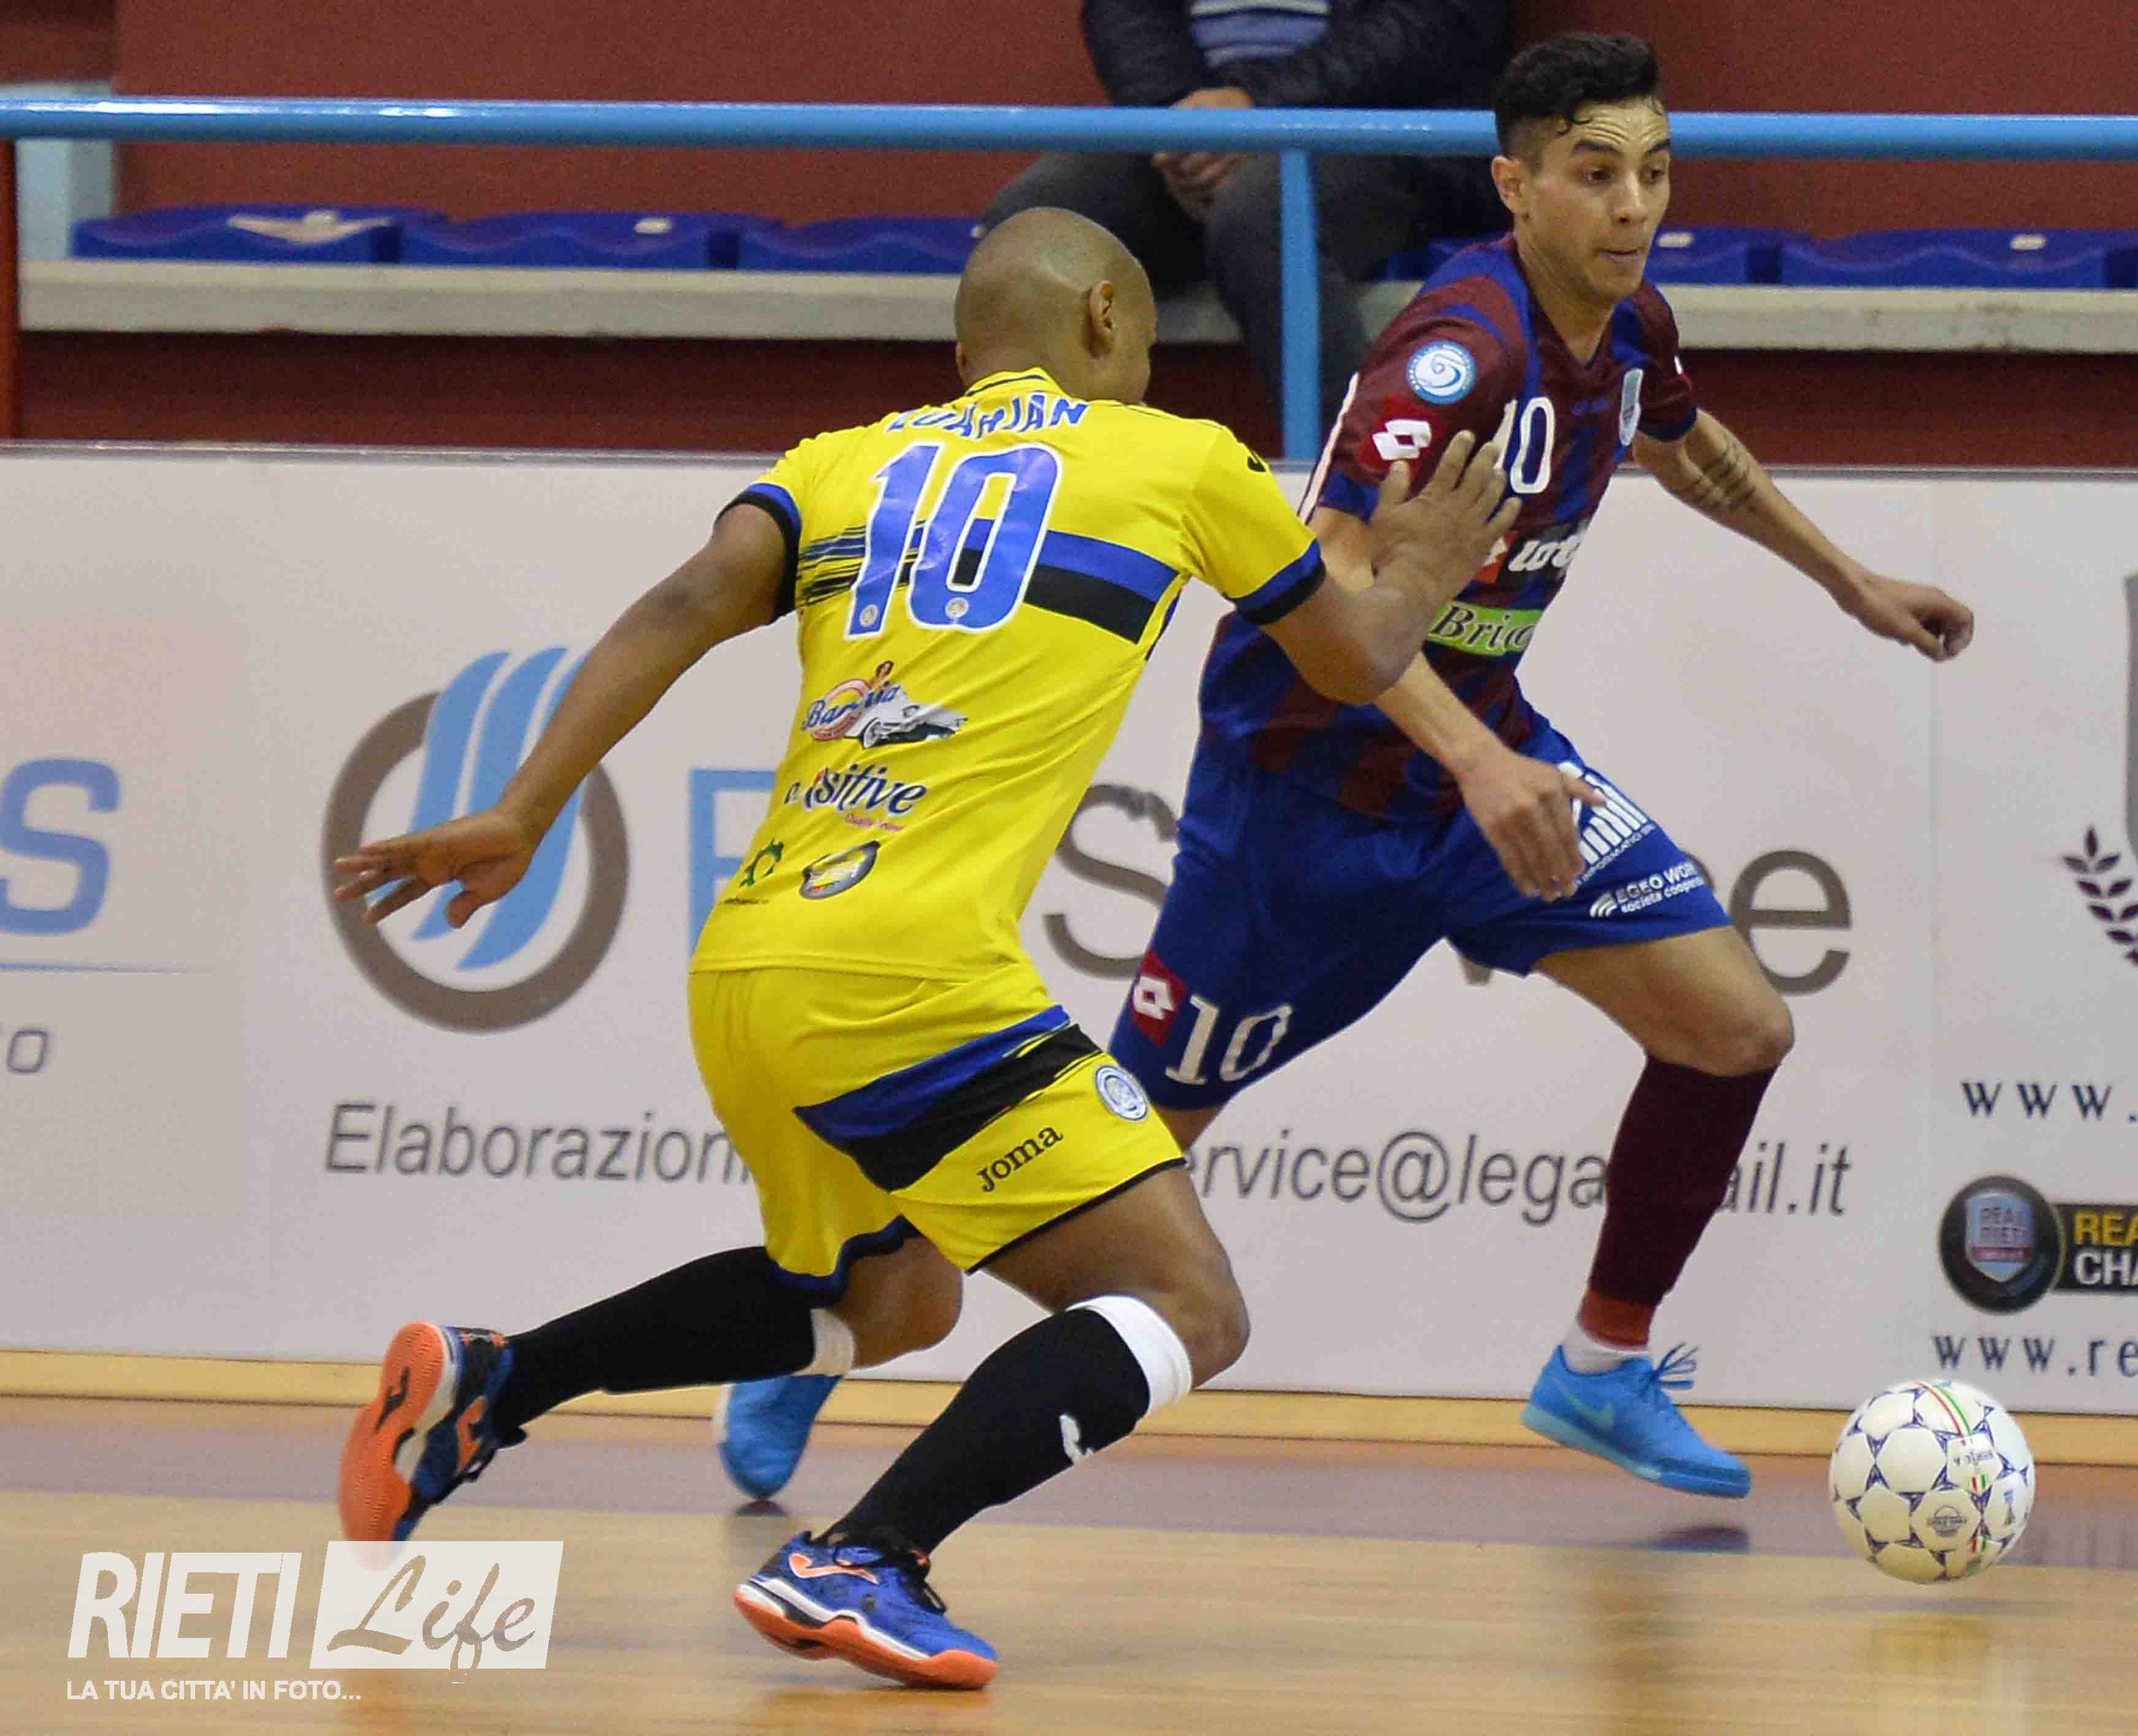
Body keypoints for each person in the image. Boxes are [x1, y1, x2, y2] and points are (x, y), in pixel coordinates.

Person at [717, 31, 1976, 1507]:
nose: (1632, 205)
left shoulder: (1631, 323)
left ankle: (1603, 1363)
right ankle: (826, 1321)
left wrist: (1847, 579)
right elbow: (1330, 580)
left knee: (1734, 1027)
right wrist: (1477, 762)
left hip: (1484, 759)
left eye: (1653, 171)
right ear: (1515, 185)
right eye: (1594, 174)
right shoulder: (1460, 351)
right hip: (1304, 799)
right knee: (1109, 1156)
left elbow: (1681, 439)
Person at [329, 206, 1517, 1691]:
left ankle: (494, 1385)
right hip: (910, 978)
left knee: (888, 1299)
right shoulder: (1180, 462)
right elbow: (1354, 660)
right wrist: (1423, 569)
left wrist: (523, 808)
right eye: (1148, 334)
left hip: (754, 964)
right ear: (1104, 319)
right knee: (1187, 1304)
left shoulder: (838, 461)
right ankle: (866, 1554)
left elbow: (684, 601)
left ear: (965, 356)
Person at [989, 0, 1514, 428]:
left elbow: (1439, 22)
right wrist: (1183, 132)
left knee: (1265, 216)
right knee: (1035, 226)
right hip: (1192, 126)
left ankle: (1359, 495)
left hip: (1386, 130)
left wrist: (1258, 109)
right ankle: (1038, 485)